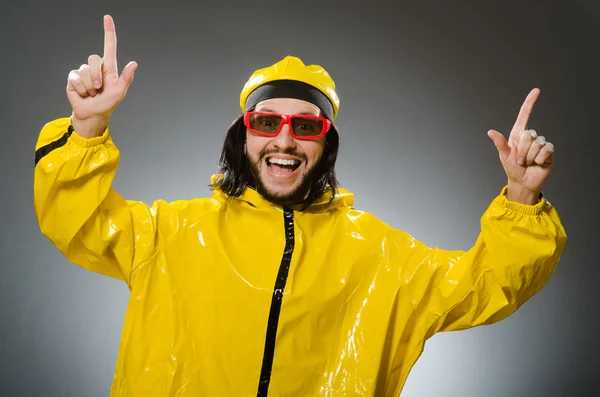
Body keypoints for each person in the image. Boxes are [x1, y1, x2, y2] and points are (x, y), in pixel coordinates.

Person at [33, 15, 567, 397]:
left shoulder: (381, 255)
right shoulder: (167, 233)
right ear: (242, 136)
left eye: (306, 126)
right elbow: (73, 219)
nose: (284, 141)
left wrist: (522, 195)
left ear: (326, 142)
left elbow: (486, 284)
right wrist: (87, 128)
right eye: (266, 122)